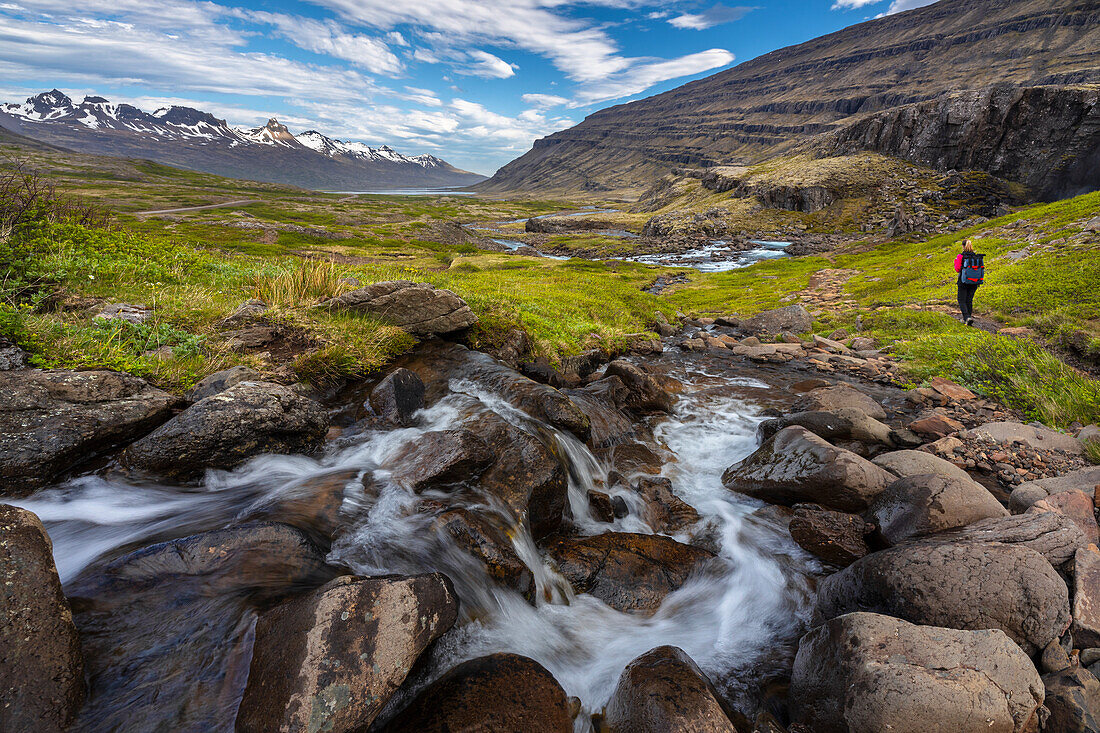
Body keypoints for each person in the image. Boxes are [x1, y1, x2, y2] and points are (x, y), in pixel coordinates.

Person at [954, 239, 980, 326]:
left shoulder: (960, 256)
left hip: (963, 281)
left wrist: (955, 262)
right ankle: (968, 317)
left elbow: (957, 269)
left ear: (963, 246)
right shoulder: (976, 256)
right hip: (975, 282)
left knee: (961, 300)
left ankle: (966, 318)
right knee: (969, 300)